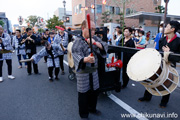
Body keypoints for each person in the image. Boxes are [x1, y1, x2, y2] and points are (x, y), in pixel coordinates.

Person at [138, 20, 180, 108]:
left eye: (167, 26)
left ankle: (164, 102)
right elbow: (158, 52)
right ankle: (147, 96)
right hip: (159, 63)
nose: (164, 28)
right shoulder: (162, 39)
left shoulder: (178, 41)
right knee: (151, 79)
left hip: (170, 65)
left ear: (173, 29)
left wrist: (170, 53)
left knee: (167, 82)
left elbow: (178, 57)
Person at [72, 20, 108, 120]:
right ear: (83, 28)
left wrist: (95, 43)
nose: (93, 32)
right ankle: (83, 113)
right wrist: (85, 59)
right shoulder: (78, 41)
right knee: (83, 93)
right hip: (83, 72)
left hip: (93, 71)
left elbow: (104, 45)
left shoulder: (95, 38)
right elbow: (76, 54)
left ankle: (92, 108)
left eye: (94, 29)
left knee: (94, 91)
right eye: (90, 29)